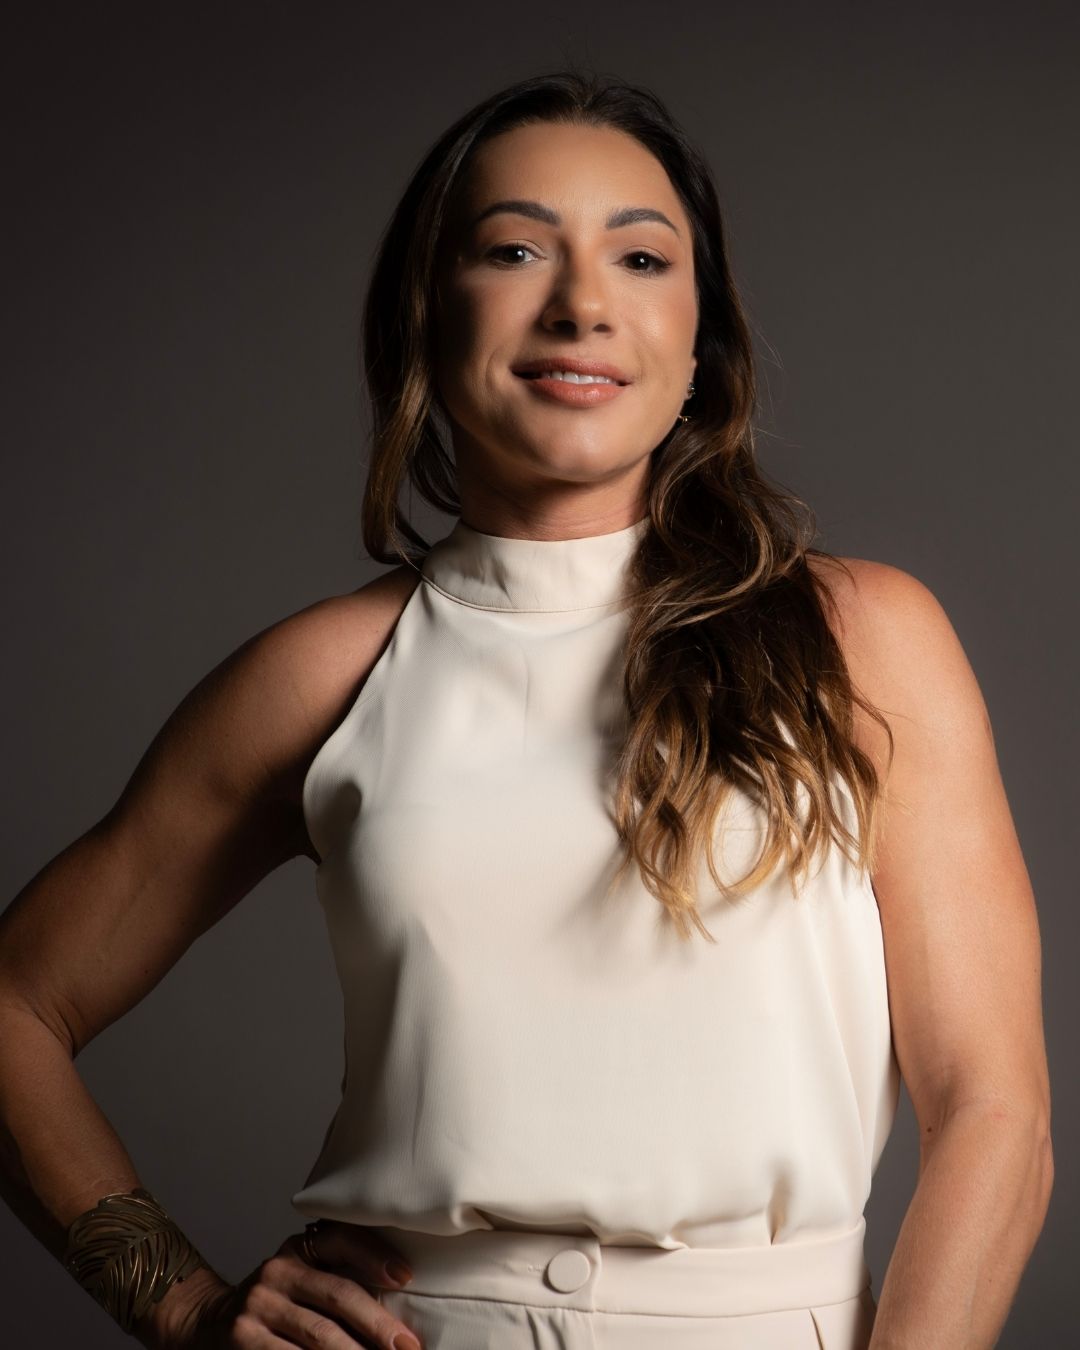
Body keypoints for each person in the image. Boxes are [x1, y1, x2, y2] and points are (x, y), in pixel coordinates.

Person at [0, 68, 1053, 1350]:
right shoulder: (325, 676)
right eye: (513, 250)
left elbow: (994, 1110)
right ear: (426, 314)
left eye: (642, 259)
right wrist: (183, 1308)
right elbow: (15, 1008)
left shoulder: (862, 639)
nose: (582, 305)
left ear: (702, 342)